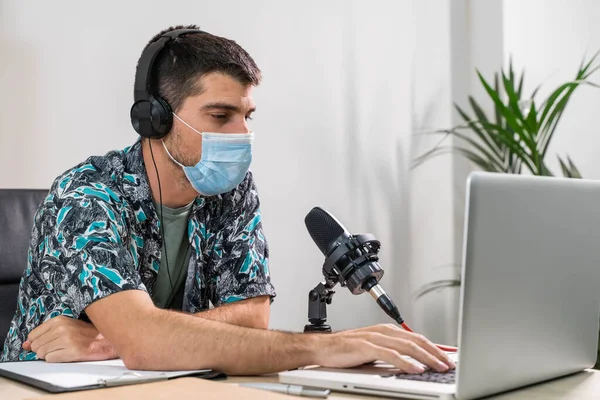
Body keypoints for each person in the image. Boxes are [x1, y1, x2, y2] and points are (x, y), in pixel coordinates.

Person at [0, 25, 455, 375]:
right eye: (220, 115)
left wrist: (113, 339)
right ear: (156, 119)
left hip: (165, 382)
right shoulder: (85, 196)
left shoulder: (231, 190)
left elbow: (254, 317)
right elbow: (146, 342)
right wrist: (319, 346)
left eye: (247, 115)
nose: (242, 134)